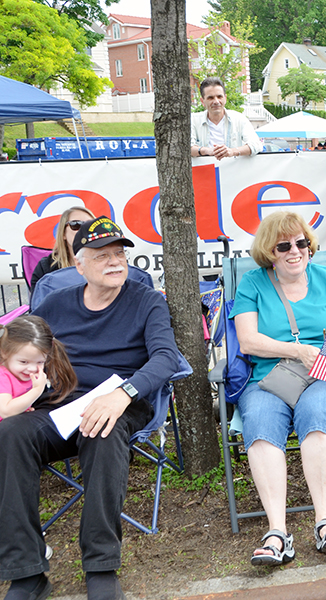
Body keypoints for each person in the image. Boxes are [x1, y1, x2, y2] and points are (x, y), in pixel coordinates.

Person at [0, 216, 181, 600]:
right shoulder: (55, 304)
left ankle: (100, 566)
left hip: (123, 402)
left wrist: (123, 393)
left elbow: (166, 358)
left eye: (120, 254)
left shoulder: (147, 301)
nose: (115, 262)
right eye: (102, 256)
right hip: (58, 405)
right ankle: (26, 571)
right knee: (9, 434)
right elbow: (16, 349)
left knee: (102, 427)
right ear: (79, 264)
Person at [230, 211, 326, 567]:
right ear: (269, 252)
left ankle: (325, 522)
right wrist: (296, 351)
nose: (295, 251)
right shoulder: (253, 284)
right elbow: (247, 341)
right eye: (284, 245)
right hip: (270, 377)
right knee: (259, 423)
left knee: (316, 411)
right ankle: (278, 533)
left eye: (301, 242)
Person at [0, 315, 76, 421]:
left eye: (40, 362)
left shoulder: (23, 372)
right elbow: (5, 411)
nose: (32, 368)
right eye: (23, 362)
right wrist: (36, 390)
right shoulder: (2, 376)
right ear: (4, 353)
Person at [29, 206, 96, 296]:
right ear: (63, 233)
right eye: (76, 225)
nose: (83, 230)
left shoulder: (108, 261)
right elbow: (38, 305)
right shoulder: (46, 267)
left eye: (90, 225)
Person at [191, 77, 261, 160]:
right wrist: (206, 151)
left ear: (225, 98)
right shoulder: (193, 120)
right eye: (211, 98)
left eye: (219, 96)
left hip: (233, 171)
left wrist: (232, 152)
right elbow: (185, 148)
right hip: (206, 171)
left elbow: (256, 145)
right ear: (202, 101)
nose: (216, 101)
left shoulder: (239, 119)